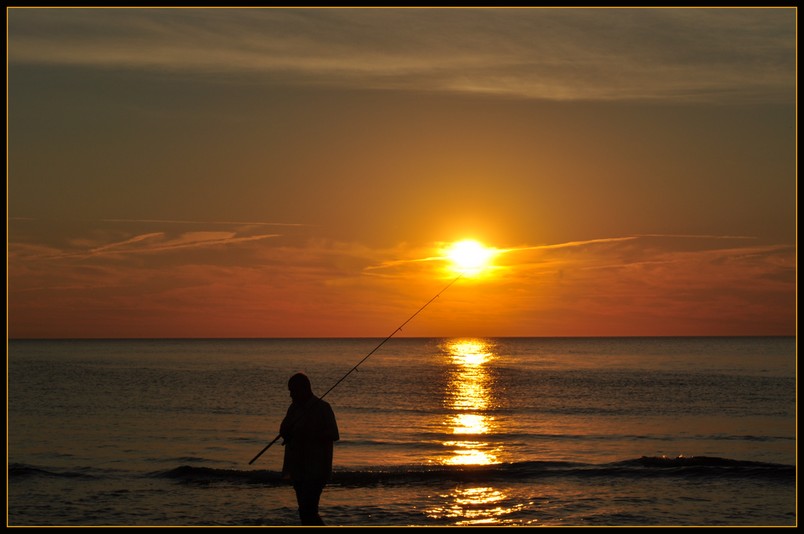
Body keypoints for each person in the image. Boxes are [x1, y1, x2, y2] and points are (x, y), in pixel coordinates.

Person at [279, 372, 340, 526]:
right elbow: (284, 429)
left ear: (304, 389)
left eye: (293, 391)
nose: (291, 395)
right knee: (304, 511)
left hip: (316, 469)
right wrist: (286, 432)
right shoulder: (293, 408)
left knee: (309, 511)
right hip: (297, 468)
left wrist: (309, 434)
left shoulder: (322, 408)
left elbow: (334, 434)